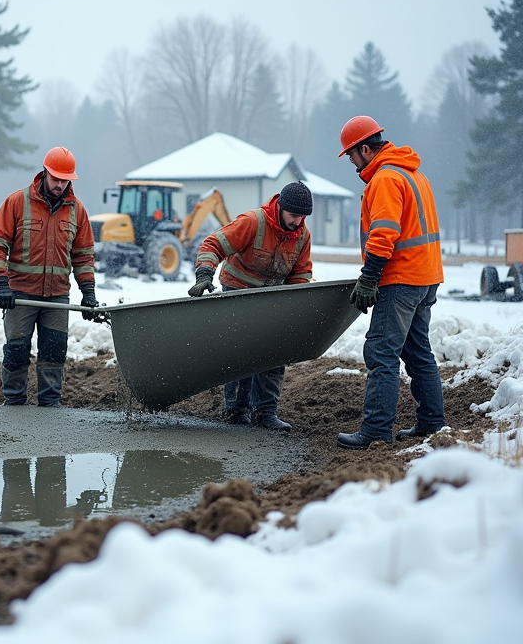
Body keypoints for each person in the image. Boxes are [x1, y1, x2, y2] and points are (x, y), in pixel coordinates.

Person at [335, 115, 446, 450]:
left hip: (400, 280)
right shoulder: (413, 174)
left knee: (381, 353)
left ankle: (376, 431)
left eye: (352, 156)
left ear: (366, 149)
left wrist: (369, 279)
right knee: (418, 353)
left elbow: (384, 233)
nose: (352, 163)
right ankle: (432, 423)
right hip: (427, 277)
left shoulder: (385, 179)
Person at [188, 181, 314, 430]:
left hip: (271, 297)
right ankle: (236, 410)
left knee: (273, 352)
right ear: (280, 208)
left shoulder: (302, 237)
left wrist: (296, 303)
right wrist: (204, 275)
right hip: (238, 291)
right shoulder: (252, 222)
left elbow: (301, 274)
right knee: (242, 350)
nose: (298, 222)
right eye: (294, 215)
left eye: (303, 217)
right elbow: (212, 244)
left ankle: (265, 412)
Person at [0, 147, 97, 407]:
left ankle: (50, 404)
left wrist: (88, 292)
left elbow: (83, 255)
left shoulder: (76, 211)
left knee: (54, 351)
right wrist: (1, 284)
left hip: (57, 296)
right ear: (45, 172)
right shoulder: (17, 203)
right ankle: (13, 403)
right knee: (16, 350)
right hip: (20, 294)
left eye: (65, 180)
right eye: (56, 178)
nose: (60, 185)